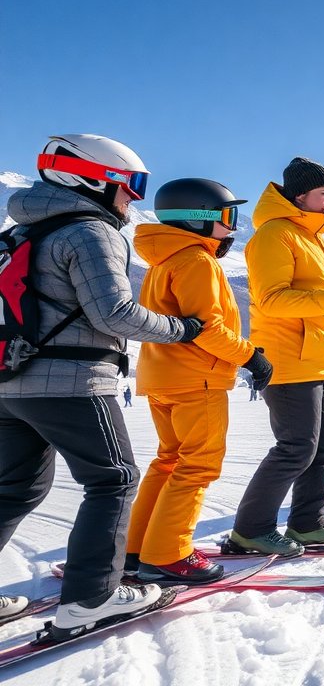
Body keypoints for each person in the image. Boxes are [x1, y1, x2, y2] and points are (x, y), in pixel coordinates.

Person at [1, 134, 203, 631]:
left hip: (9, 384)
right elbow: (113, 313)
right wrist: (181, 330)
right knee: (113, 479)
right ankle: (91, 599)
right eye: (131, 184)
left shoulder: (15, 234)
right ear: (93, 178)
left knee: (15, 488)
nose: (134, 197)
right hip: (72, 382)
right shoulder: (91, 230)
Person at [126, 177, 272, 586]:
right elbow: (207, 328)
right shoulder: (195, 260)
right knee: (197, 465)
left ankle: (136, 548)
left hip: (162, 376)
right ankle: (168, 554)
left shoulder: (163, 259)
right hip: (196, 379)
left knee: (169, 460)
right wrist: (251, 357)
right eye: (228, 217)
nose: (232, 227)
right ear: (198, 219)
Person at [228, 157, 324, 558]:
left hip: (322, 359)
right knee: (296, 446)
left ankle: (308, 523)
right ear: (299, 194)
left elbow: (322, 300)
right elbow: (272, 300)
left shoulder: (320, 240)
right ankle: (250, 531)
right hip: (289, 360)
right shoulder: (275, 235)